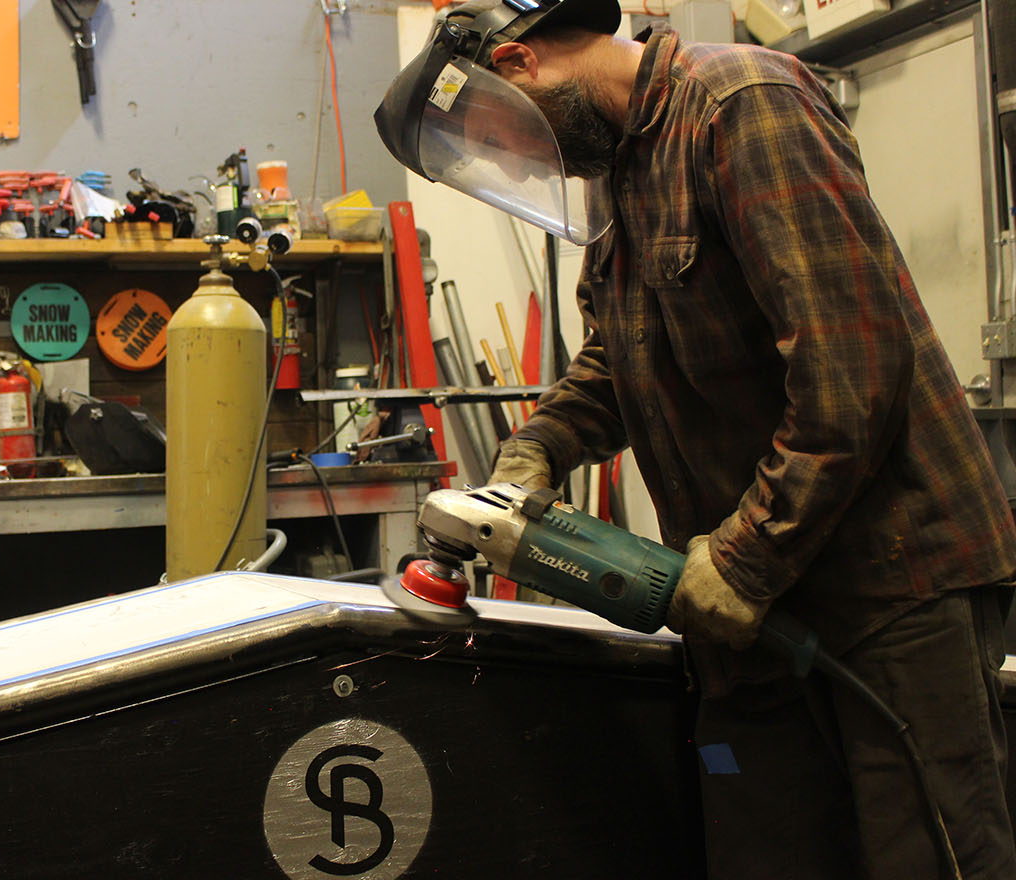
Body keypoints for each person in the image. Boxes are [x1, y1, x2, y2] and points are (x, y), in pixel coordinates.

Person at [375, 1, 1016, 877]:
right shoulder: (623, 171)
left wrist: (744, 561)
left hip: (886, 586)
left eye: (490, 140)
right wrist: (544, 443)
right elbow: (623, 354)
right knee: (763, 848)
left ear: (520, 67)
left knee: (925, 855)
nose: (505, 161)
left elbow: (851, 370)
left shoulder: (741, 102)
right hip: (748, 615)